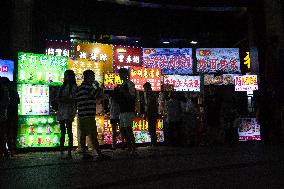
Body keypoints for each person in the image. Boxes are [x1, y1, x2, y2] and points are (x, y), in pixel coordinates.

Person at [76, 70, 111, 160]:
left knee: (83, 135)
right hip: (88, 115)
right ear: (88, 77)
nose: (94, 78)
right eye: (93, 76)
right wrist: (99, 87)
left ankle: (84, 154)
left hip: (81, 115)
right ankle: (99, 154)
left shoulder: (80, 88)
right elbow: (96, 95)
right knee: (93, 135)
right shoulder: (88, 87)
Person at [56, 70, 77, 159]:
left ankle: (68, 152)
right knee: (63, 131)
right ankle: (62, 151)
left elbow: (73, 99)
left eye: (66, 75)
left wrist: (62, 99)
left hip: (68, 110)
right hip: (62, 110)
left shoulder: (73, 86)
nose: (65, 77)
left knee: (68, 131)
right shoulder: (63, 86)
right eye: (65, 75)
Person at [115, 68, 136, 154]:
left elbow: (132, 96)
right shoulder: (122, 85)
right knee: (123, 129)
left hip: (128, 109)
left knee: (128, 128)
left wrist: (122, 91)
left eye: (121, 74)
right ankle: (130, 146)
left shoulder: (130, 84)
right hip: (122, 110)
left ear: (126, 75)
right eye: (119, 74)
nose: (120, 76)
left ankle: (133, 148)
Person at [5, 79, 20, 157]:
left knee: (7, 134)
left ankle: (8, 150)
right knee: (13, 134)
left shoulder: (5, 92)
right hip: (13, 116)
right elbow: (18, 102)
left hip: (7, 116)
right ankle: (12, 151)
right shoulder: (14, 92)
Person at [143, 82, 158, 148]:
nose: (145, 89)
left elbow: (150, 105)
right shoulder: (151, 94)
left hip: (152, 113)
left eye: (145, 88)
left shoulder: (151, 94)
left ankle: (154, 144)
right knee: (152, 129)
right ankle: (153, 143)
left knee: (152, 129)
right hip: (152, 113)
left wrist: (146, 113)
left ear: (148, 87)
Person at [0, 77, 10, 159]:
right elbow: (6, 102)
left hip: (2, 115)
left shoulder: (3, 89)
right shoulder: (5, 90)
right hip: (2, 116)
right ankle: (4, 151)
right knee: (3, 134)